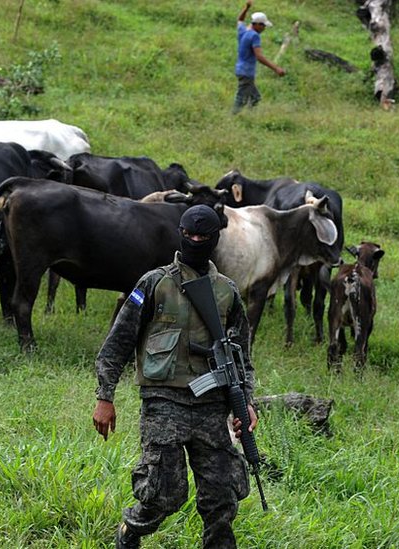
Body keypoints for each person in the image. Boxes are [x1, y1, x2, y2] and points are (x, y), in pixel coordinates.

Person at [92, 204, 259, 549]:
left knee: (221, 496)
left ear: (215, 240)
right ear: (180, 234)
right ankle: (131, 530)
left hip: (211, 406)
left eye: (203, 236)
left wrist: (246, 403)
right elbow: (119, 341)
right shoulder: (154, 283)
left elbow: (241, 354)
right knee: (163, 493)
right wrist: (104, 396)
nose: (196, 241)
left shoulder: (227, 292)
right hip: (163, 404)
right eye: (189, 235)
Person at [232, 0, 286, 114]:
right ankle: (233, 118)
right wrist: (276, 68)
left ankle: (249, 118)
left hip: (240, 69)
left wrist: (246, 8)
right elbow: (259, 57)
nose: (264, 28)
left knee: (255, 97)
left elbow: (240, 20)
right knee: (240, 99)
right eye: (263, 25)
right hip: (246, 72)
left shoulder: (243, 31)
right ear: (256, 24)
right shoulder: (254, 36)